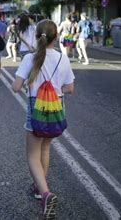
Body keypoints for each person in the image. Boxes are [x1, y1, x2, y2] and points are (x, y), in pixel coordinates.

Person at [12, 19, 74, 219]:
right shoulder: (63, 58)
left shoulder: (30, 58)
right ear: (56, 37)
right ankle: (40, 188)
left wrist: (34, 87)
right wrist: (54, 89)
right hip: (56, 107)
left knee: (32, 154)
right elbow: (70, 88)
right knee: (46, 149)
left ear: (37, 36)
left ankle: (45, 193)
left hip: (36, 108)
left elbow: (15, 86)